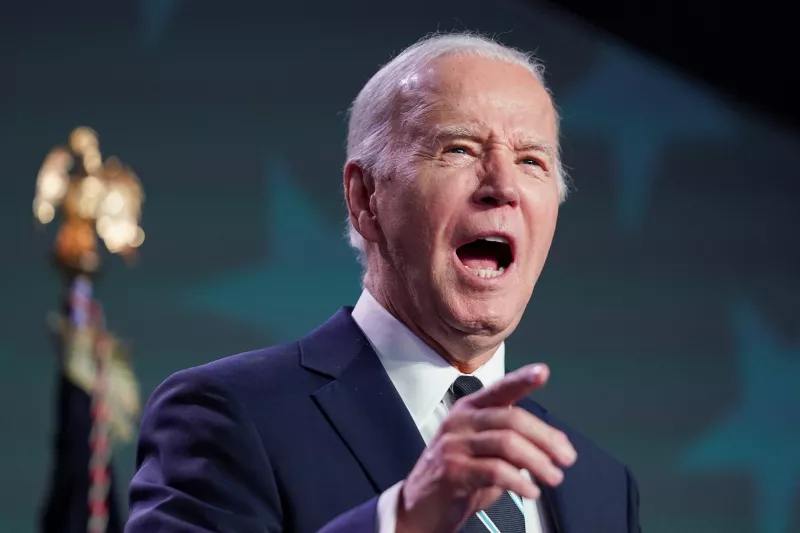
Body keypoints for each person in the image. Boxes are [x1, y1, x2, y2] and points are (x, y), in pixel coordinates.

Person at [125, 32, 642, 533]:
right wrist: (404, 520)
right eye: (459, 149)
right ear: (365, 197)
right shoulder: (227, 416)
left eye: (532, 161)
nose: (503, 187)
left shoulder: (600, 487)